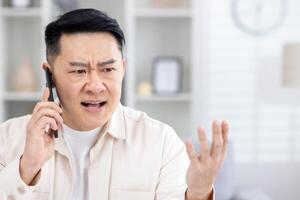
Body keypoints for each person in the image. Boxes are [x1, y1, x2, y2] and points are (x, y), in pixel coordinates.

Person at [0, 9, 229, 200]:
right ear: (51, 76)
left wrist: (198, 194)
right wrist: (27, 167)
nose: (95, 85)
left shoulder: (161, 142)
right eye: (79, 71)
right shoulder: (8, 139)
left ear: (123, 69)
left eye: (108, 69)